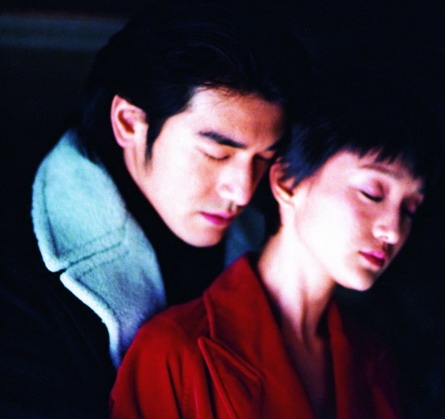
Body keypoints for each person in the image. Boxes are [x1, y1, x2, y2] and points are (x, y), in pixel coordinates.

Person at [0, 0, 307, 416]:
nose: (242, 190)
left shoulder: (273, 228)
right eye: (217, 154)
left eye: (264, 158)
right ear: (129, 122)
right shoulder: (19, 275)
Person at [110, 83, 440, 418]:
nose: (393, 229)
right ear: (287, 182)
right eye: (372, 193)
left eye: (409, 209)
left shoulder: (374, 362)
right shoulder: (175, 351)